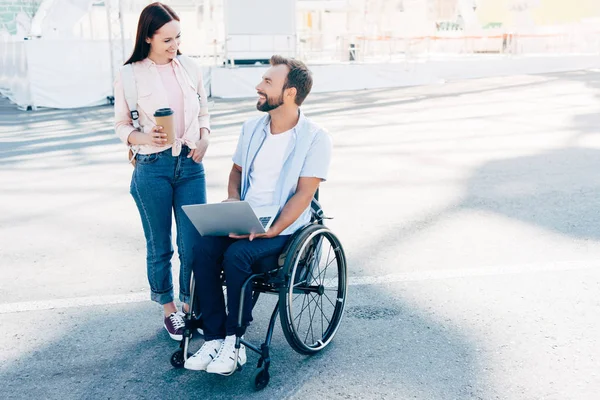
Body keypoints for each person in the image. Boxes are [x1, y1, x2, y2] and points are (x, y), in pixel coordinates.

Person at [184, 55, 332, 374]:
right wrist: (232, 200)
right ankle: (213, 338)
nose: (258, 86)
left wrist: (271, 230)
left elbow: (304, 194)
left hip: (286, 230)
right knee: (203, 249)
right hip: (246, 215)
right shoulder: (251, 128)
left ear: (290, 93)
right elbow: (236, 171)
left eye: (267, 82)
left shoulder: (315, 137)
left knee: (238, 256)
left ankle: (233, 343)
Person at [113, 2, 210, 341]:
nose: (175, 46)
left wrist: (206, 138)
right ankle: (169, 310)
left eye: (178, 38)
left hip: (191, 164)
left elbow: (204, 112)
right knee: (160, 246)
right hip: (152, 167)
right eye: (167, 40)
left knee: (194, 244)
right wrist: (143, 136)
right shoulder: (130, 74)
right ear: (149, 38)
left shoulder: (190, 66)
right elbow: (121, 125)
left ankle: (189, 305)